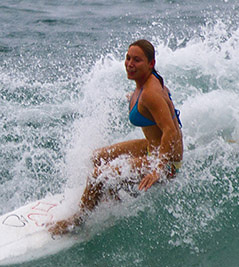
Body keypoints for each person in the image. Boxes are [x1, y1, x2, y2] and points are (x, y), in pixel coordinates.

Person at [50, 39, 183, 235]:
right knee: (97, 157)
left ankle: (77, 221)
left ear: (151, 64)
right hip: (150, 147)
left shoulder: (151, 93)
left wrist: (158, 168)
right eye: (128, 58)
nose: (130, 64)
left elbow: (170, 131)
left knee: (98, 175)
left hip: (166, 162)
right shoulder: (144, 85)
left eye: (137, 60)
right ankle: (112, 198)